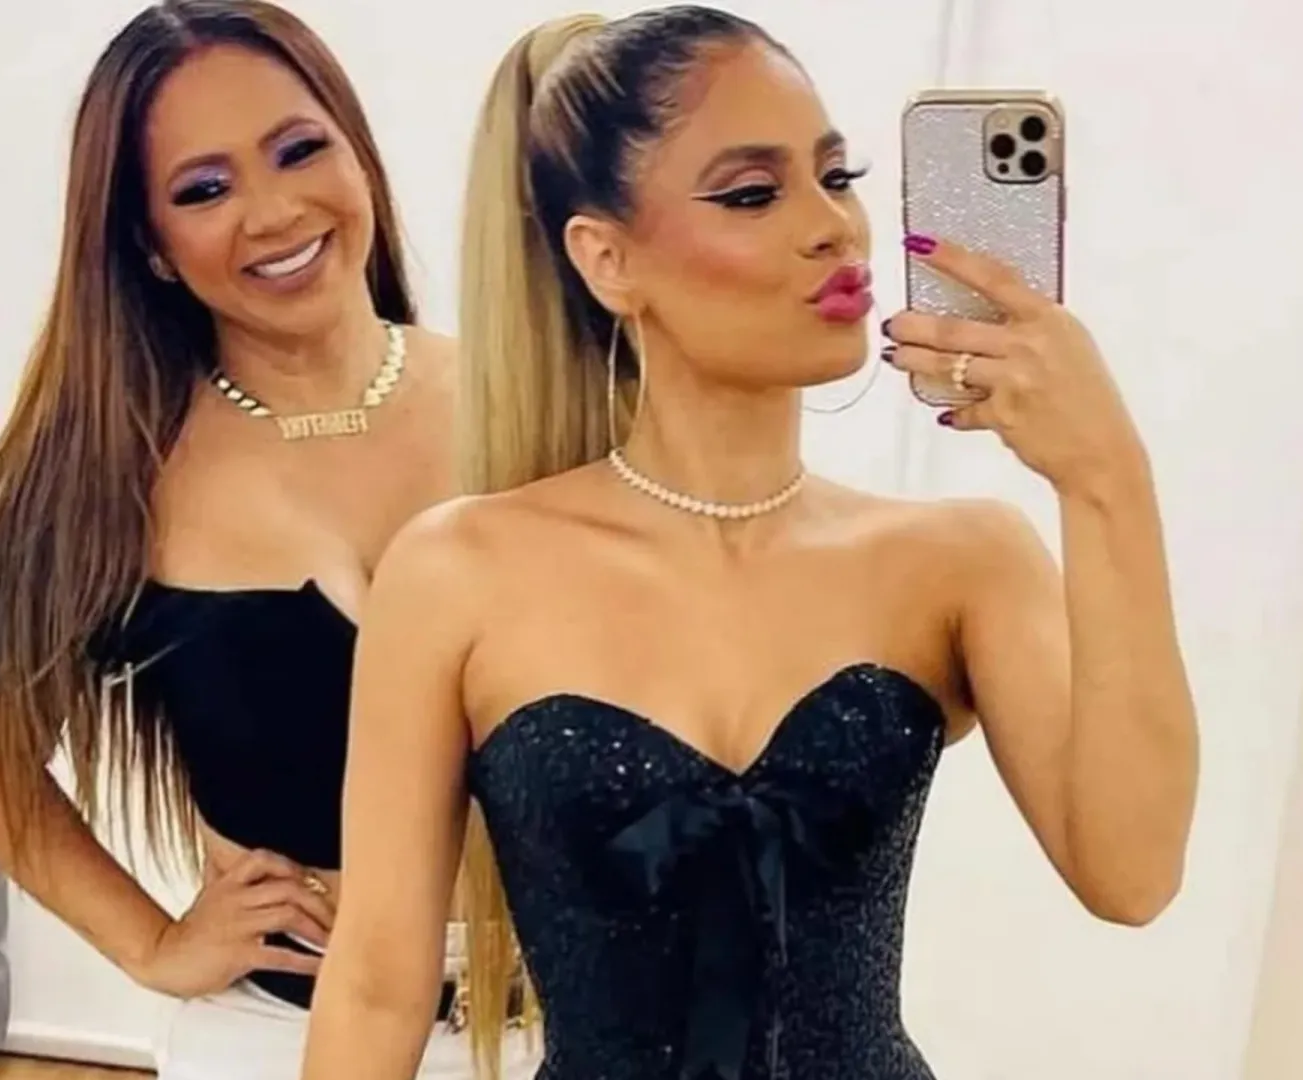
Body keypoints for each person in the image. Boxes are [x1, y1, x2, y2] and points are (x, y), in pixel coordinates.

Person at [300, 7, 1200, 1080]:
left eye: (838, 175)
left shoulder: (961, 561)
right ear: (606, 259)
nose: (835, 227)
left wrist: (1106, 482)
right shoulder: (458, 572)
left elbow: (1132, 875)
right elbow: (376, 986)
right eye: (752, 194)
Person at [0, 3, 529, 1077]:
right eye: (204, 189)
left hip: (575, 1024)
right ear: (149, 245)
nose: (275, 212)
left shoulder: (536, 412)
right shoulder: (113, 476)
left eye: (300, 149)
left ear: (357, 151)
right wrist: (150, 944)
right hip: (278, 1039)